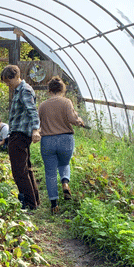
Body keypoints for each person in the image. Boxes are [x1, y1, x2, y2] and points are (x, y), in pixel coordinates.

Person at [38, 77, 86, 213]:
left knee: (50, 173)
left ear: (49, 90)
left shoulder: (43, 105)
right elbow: (72, 119)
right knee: (64, 164)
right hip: (66, 139)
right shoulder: (66, 102)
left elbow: (38, 124)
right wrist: (79, 121)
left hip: (48, 141)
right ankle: (65, 183)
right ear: (63, 89)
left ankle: (54, 204)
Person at [0, 64, 41, 210]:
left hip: (20, 135)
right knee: (26, 169)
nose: (7, 84)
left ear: (17, 77)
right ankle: (34, 200)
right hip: (19, 134)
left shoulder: (24, 90)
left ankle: (29, 203)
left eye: (8, 81)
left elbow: (33, 111)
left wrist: (36, 129)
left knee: (19, 171)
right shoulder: (19, 90)